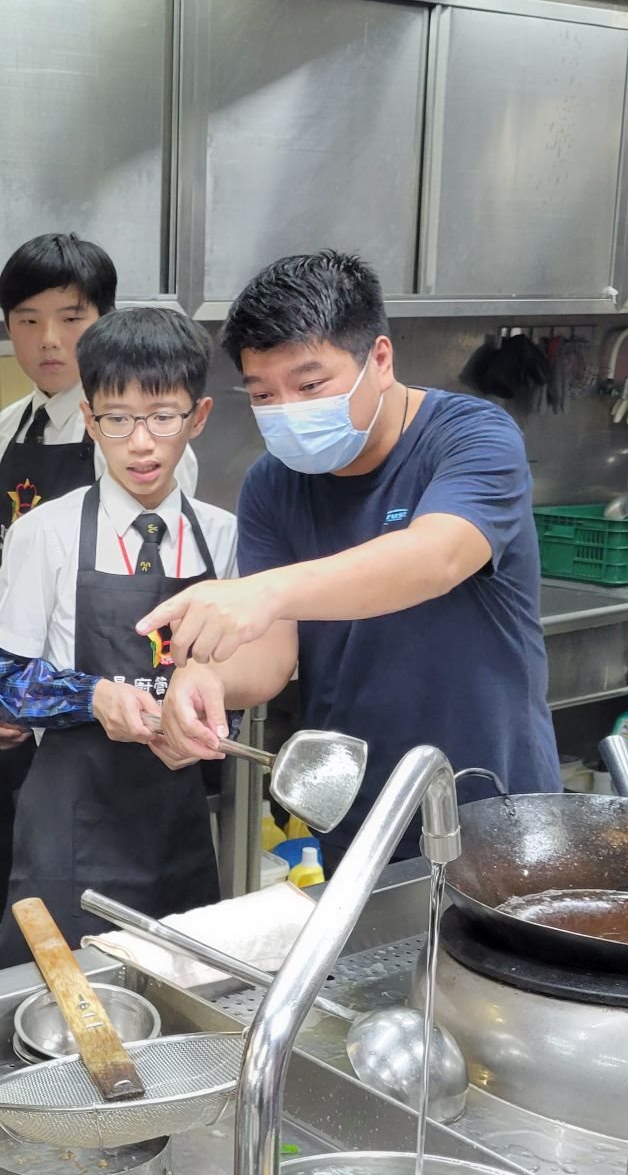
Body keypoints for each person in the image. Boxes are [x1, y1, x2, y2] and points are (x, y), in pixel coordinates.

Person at [146, 250, 561, 861]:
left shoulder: (471, 436)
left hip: (493, 801)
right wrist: (209, 679)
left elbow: (436, 557)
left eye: (310, 385)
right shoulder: (273, 484)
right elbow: (271, 653)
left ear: (380, 360)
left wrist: (266, 591)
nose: (288, 410)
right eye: (263, 394)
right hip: (357, 812)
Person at [0, 308, 232, 967]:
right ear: (89, 419)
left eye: (163, 417)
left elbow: (245, 669)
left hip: (177, 823)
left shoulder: (222, 536)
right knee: (60, 993)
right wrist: (91, 697)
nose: (140, 443)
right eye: (118, 419)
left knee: (180, 988)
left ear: (198, 417)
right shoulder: (46, 533)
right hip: (71, 827)